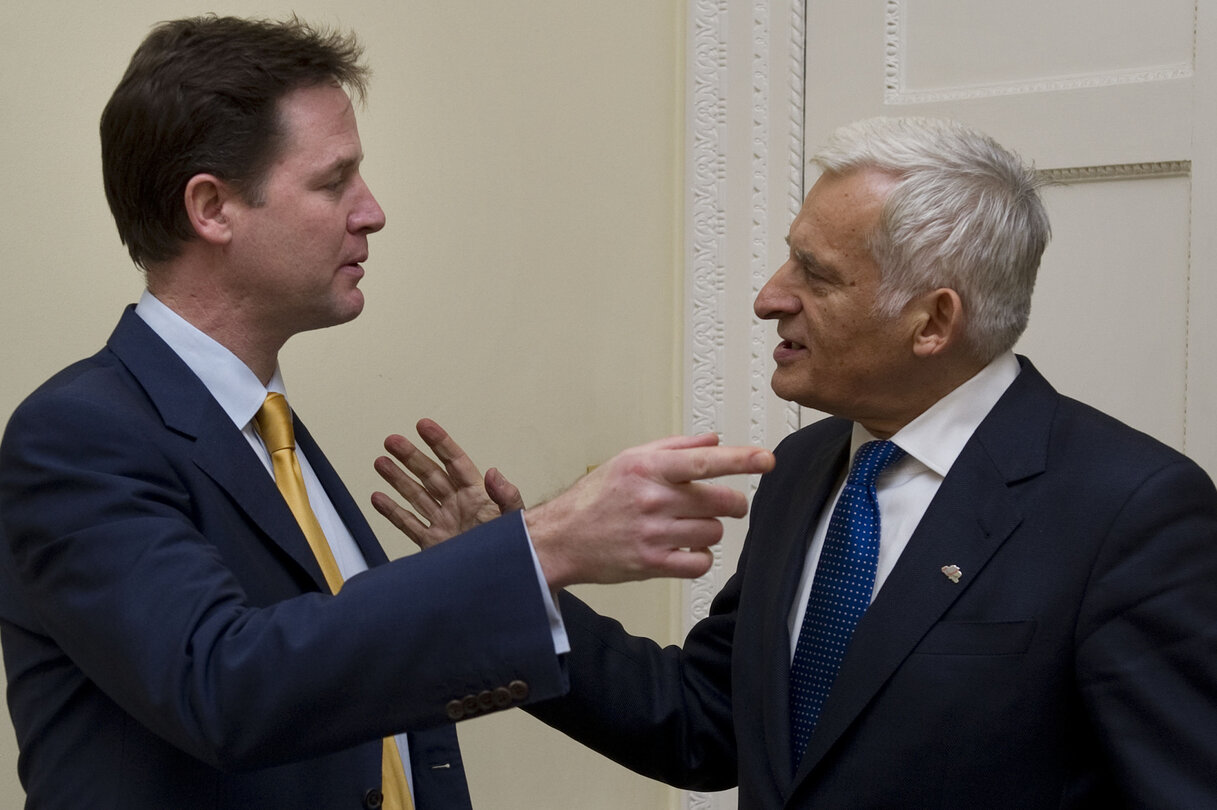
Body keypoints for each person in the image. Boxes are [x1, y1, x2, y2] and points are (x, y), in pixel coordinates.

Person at [0, 15, 774, 810]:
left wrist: (495, 560)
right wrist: (538, 547)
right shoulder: (77, 435)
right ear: (212, 207)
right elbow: (224, 687)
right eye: (333, 182)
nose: (371, 212)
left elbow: (356, 692)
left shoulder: (268, 436)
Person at [376, 117, 1217, 807]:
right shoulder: (812, 464)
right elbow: (708, 726)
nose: (768, 297)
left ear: (932, 321)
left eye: (814, 274)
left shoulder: (1130, 512)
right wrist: (508, 584)